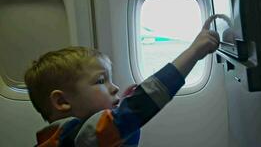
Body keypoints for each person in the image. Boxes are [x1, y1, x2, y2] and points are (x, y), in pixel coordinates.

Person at [24, 15, 221, 146]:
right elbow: (141, 104)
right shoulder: (81, 137)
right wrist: (194, 52)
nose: (114, 87)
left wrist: (125, 99)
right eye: (101, 81)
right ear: (62, 102)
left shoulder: (58, 138)